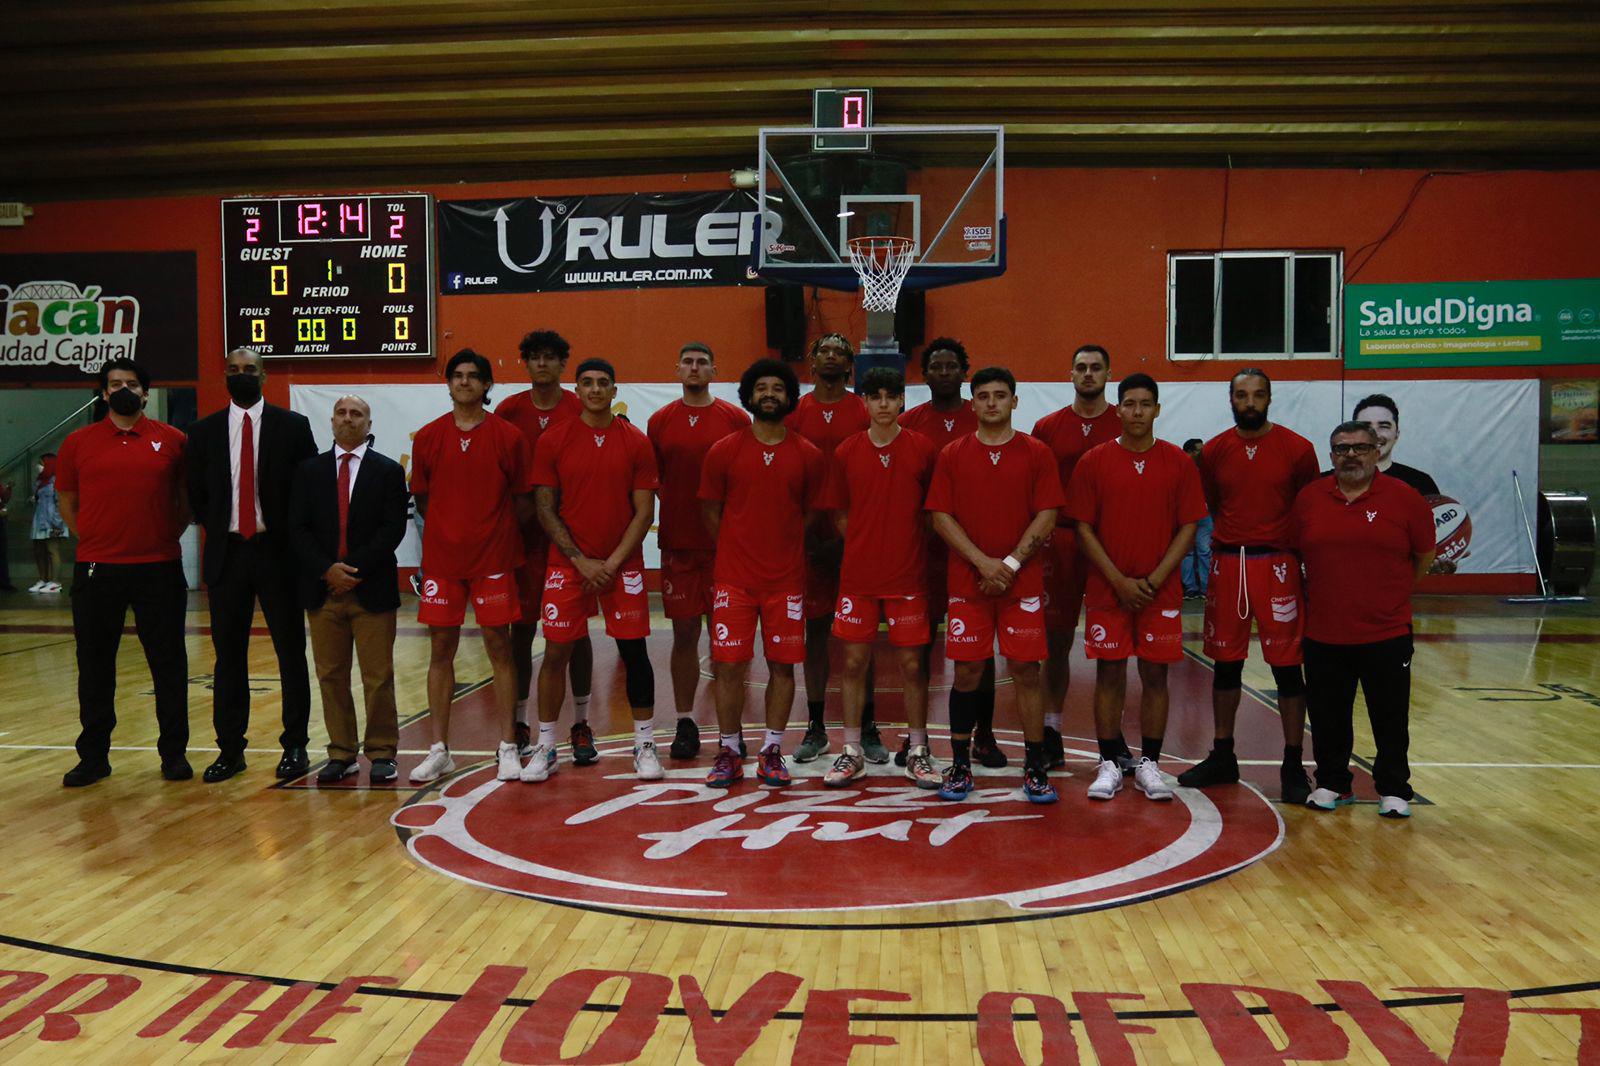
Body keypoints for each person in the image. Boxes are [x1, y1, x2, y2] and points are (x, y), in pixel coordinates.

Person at [1065, 373, 1206, 803]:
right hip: (1110, 589)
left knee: (1155, 674)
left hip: (1158, 590)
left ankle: (1150, 764)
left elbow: (1188, 526)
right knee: (1109, 672)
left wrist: (1156, 578)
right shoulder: (1093, 461)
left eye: (1146, 403)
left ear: (1157, 409)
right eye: (1129, 403)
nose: (1138, 411)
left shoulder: (1178, 463)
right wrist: (1118, 580)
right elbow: (1083, 527)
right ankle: (1109, 761)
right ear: (1119, 408)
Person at [1180, 370, 1320, 802]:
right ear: (1231, 400)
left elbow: (1308, 506)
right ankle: (1223, 754)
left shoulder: (1298, 450)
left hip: (1278, 564)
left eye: (1258, 394)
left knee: (1286, 667)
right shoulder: (1216, 450)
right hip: (1230, 562)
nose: (1250, 402)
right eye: (1241, 395)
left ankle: (1294, 762)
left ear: (1270, 398)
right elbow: (1212, 505)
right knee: (1226, 664)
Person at [926, 366, 1064, 804]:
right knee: (967, 672)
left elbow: (1047, 514)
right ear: (973, 403)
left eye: (1000, 395)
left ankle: (1035, 766)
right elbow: (940, 516)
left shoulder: (1038, 453)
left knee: (1026, 671)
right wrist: (983, 562)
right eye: (983, 395)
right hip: (969, 583)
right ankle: (961, 764)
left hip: (1019, 585)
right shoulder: (952, 453)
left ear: (1014, 401)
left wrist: (1008, 563)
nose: (991, 403)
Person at [55, 358, 190, 786]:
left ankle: (174, 755)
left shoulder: (174, 440)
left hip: (159, 567)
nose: (123, 390)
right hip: (98, 570)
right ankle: (93, 757)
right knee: (94, 667)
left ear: (146, 393)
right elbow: (67, 501)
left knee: (168, 665)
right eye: (115, 384)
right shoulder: (78, 442)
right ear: (104, 394)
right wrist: (93, 540)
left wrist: (164, 534)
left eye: (131, 383)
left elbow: (185, 503)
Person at [526, 359, 661, 782]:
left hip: (622, 565)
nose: (596, 390)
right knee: (555, 653)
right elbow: (545, 509)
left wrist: (611, 563)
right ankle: (546, 746)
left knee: (635, 653)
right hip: (568, 565)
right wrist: (580, 560)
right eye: (588, 383)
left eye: (604, 383)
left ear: (614, 390)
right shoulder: (554, 439)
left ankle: (644, 744)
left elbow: (643, 513)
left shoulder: (636, 441)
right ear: (577, 390)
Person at [1291, 421, 1435, 818]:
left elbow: (1423, 556)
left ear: (1376, 451)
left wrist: (1388, 594)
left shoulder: (1406, 499)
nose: (1350, 455)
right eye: (1341, 448)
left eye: (1359, 448)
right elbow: (1298, 554)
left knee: (1390, 716)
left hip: (1386, 632)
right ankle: (1333, 783)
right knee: (1326, 716)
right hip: (1324, 632)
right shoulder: (1309, 499)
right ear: (1331, 454)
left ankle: (1393, 788)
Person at [187, 347, 318, 783]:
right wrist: (221, 526)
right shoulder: (203, 432)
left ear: (264, 376)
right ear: (224, 375)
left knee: (289, 653)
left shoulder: (293, 427)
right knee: (228, 658)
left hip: (277, 552)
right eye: (234, 370)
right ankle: (230, 749)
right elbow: (197, 495)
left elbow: (307, 491)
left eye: (250, 370)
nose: (241, 375)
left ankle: (296, 745)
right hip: (228, 552)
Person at [408, 349, 536, 784]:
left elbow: (522, 501)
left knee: (499, 650)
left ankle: (506, 746)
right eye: (457, 376)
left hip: (494, 561)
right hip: (443, 563)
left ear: (486, 386)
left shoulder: (509, 437)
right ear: (448, 384)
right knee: (439, 653)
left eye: (473, 377)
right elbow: (424, 499)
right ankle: (440, 750)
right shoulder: (427, 438)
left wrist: (489, 534)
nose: (464, 382)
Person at [698, 359, 826, 789]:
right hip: (733, 580)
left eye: (777, 388)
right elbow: (712, 512)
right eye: (761, 388)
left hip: (786, 582)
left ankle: (772, 749)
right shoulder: (724, 450)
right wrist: (741, 547)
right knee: (728, 667)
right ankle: (730, 750)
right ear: (749, 396)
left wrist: (780, 542)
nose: (769, 394)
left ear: (790, 398)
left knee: (783, 668)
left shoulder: (808, 455)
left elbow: (808, 514)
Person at [822, 368, 942, 788]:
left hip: (908, 576)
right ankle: (851, 750)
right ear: (866, 403)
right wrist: (865, 543)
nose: (885, 404)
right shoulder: (846, 452)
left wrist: (900, 544)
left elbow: (931, 514)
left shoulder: (923, 449)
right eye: (876, 397)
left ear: (902, 402)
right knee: (853, 662)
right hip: (858, 578)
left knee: (912, 665)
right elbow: (839, 513)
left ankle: (919, 749)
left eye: (892, 396)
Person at [288, 395, 409, 784]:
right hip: (324, 591)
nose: (348, 419)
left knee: (378, 677)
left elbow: (392, 529)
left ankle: (381, 752)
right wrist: (328, 570)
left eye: (356, 414)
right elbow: (298, 528)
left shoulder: (388, 472)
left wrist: (352, 570)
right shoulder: (308, 471)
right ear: (331, 421)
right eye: (341, 413)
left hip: (370, 589)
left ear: (369, 424)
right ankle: (341, 752)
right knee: (331, 676)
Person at [898, 337, 1001, 768]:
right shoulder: (909, 422)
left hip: (972, 551)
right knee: (917, 646)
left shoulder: (979, 416)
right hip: (920, 550)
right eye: (935, 366)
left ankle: (985, 734)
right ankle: (914, 736)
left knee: (978, 650)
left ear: (964, 371)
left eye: (951, 366)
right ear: (925, 374)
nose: (943, 372)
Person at [494, 330, 596, 760]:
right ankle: (519, 720)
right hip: (519, 538)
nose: (542, 364)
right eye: (534, 356)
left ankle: (581, 722)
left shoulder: (579, 408)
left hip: (569, 540)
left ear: (562, 364)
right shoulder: (508, 410)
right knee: (522, 630)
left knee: (575, 634)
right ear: (526, 363)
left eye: (551, 357)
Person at [646, 342, 749, 760]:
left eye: (701, 362)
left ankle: (732, 729)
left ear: (713, 370)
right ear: (677, 369)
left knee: (729, 642)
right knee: (685, 635)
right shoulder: (659, 421)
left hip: (726, 548)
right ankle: (685, 722)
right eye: (687, 361)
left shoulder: (735, 419)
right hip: (679, 546)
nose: (694, 367)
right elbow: (654, 480)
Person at [1029, 344, 1126, 771]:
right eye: (1081, 368)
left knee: (1114, 646)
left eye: (1096, 368)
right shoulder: (1047, 427)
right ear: (1070, 374)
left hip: (1111, 543)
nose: (1088, 374)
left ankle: (1113, 735)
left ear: (1109, 373)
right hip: (1062, 540)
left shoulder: (1124, 424)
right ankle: (1051, 729)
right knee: (1056, 642)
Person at [784, 333, 874, 764]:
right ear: (812, 360)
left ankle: (868, 725)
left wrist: (849, 537)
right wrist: (803, 535)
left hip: (856, 537)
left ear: (850, 363)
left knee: (862, 636)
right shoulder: (795, 410)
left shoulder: (863, 409)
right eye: (825, 349)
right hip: (806, 536)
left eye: (841, 350)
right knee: (815, 633)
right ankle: (816, 725)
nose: (832, 355)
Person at [1351, 393, 1457, 575]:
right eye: (1366, 427)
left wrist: (1442, 557)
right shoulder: (1325, 483)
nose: (1375, 434)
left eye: (1384, 426)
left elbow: (1431, 544)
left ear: (1396, 433)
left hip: (1401, 588)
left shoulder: (1420, 482)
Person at [28, 453, 67, 594]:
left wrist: (58, 524)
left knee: (52, 550)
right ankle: (43, 580)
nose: (39, 467)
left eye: (42, 463)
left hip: (52, 521)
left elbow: (60, 503)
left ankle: (56, 582)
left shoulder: (56, 481)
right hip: (39, 520)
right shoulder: (40, 481)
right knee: (39, 551)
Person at [1179, 438, 1213, 599]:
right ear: (1190, 451)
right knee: (1187, 552)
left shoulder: (1206, 469)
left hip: (1204, 516)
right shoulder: (1178, 468)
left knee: (1204, 551)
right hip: (1185, 516)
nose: (1203, 453)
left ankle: (1205, 587)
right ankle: (1190, 588)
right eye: (1199, 450)